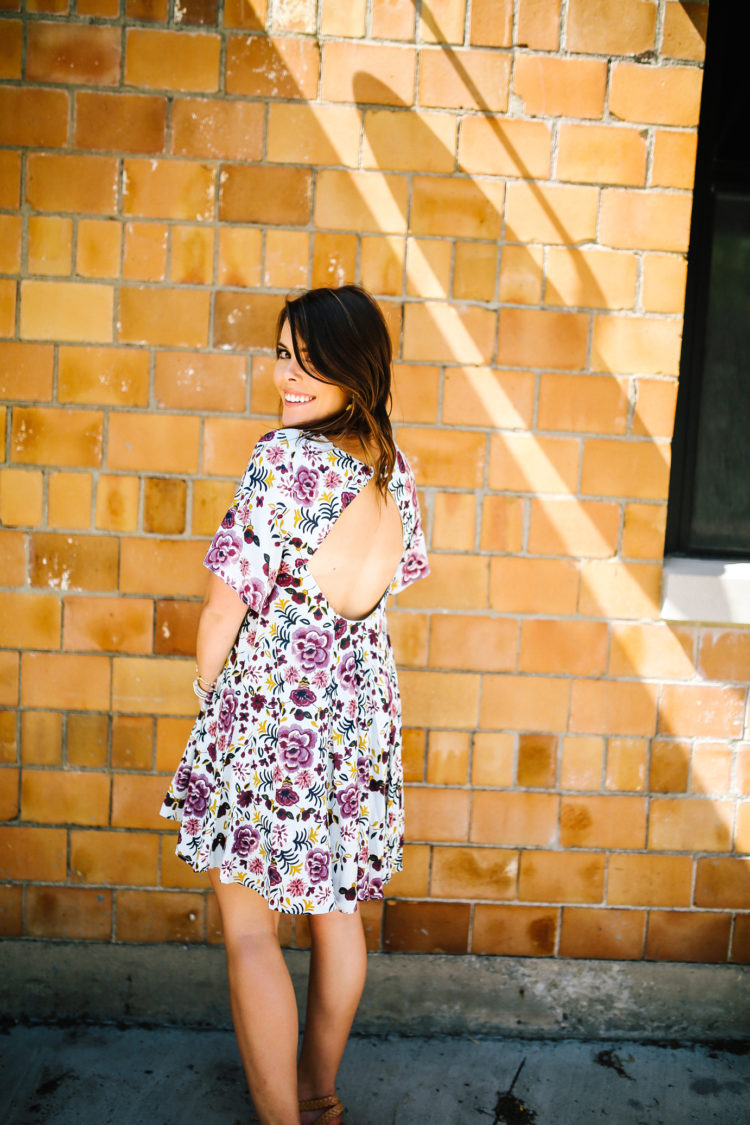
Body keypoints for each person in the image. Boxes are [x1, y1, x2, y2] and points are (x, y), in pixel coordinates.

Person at [160, 285, 430, 1125]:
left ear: (357, 369)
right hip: (357, 722)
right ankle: (318, 1096)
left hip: (275, 715)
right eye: (284, 354)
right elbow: (386, 582)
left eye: (311, 360)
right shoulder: (396, 471)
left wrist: (209, 688)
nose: (290, 376)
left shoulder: (282, 463)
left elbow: (221, 609)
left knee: (249, 927)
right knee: (337, 912)